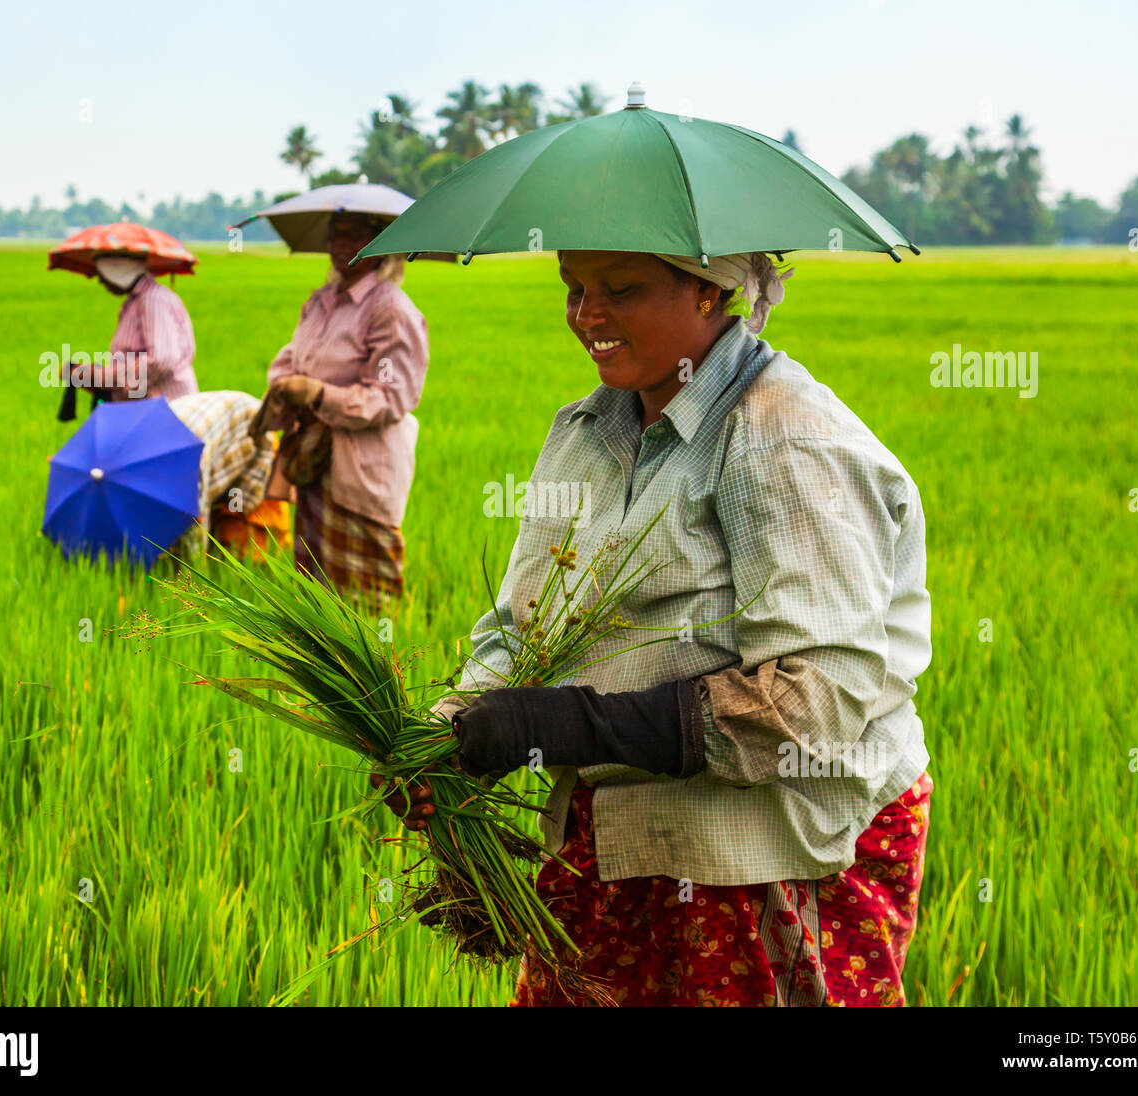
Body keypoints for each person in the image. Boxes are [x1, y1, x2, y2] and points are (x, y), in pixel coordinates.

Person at [379, 250, 933, 1007]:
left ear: (710, 289)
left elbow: (815, 703)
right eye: (574, 289)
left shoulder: (784, 437)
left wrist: (562, 723)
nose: (586, 314)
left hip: (769, 849)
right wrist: (457, 727)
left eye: (619, 289)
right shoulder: (583, 430)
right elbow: (522, 624)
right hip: (612, 836)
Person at [262, 211, 428, 601]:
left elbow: (391, 397)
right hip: (313, 462)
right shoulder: (322, 300)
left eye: (353, 235)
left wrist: (319, 394)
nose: (339, 245)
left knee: (365, 604)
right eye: (334, 235)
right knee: (315, 596)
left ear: (380, 243)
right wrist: (287, 383)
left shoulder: (391, 309)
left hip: (361, 471)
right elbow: (292, 355)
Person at [166, 390, 276, 560]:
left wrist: (196, 571)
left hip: (243, 421)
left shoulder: (190, 462)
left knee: (235, 511)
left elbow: (197, 519)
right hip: (210, 424)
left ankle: (233, 554)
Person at [92, 253, 199, 401]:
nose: (100, 281)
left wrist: (103, 378)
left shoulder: (152, 300)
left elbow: (162, 359)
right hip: (146, 407)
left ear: (118, 273)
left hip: (165, 407)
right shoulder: (136, 301)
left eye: (104, 275)